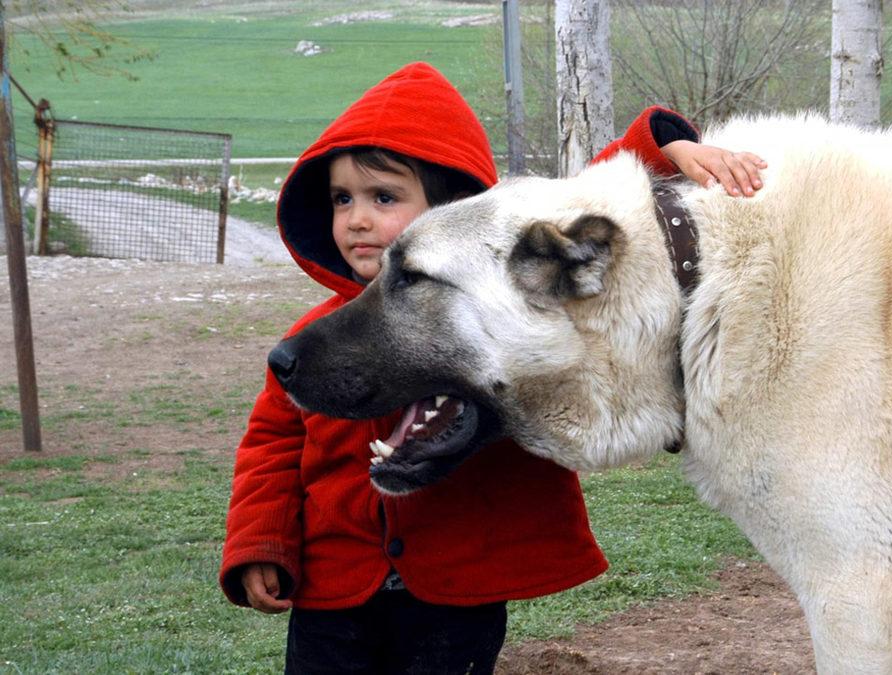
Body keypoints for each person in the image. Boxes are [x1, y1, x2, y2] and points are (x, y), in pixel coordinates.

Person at [220, 62, 765, 674]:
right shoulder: (316, 339)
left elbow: (559, 215)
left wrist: (664, 144)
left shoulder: (493, 286)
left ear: (454, 212)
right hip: (332, 590)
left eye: (383, 197)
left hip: (455, 594)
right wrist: (259, 541)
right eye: (341, 199)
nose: (357, 219)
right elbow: (270, 441)